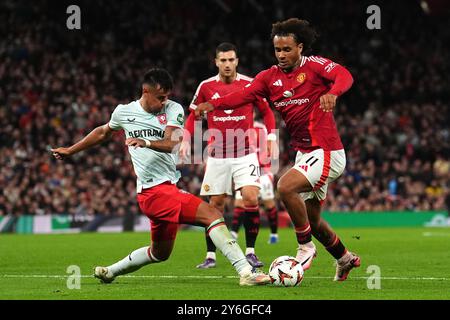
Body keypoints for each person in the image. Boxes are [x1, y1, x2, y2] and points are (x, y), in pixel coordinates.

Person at [51, 68, 270, 286]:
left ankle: (109, 272)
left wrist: (145, 142)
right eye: (160, 97)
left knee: (160, 253)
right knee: (212, 214)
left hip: (165, 190)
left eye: (167, 96)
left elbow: (172, 143)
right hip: (153, 192)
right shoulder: (124, 112)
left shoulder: (173, 109)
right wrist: (71, 150)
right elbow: (102, 132)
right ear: (145, 91)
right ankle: (246, 272)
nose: (164, 101)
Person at [195, 18, 360, 281]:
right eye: (277, 50)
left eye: (287, 49)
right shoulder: (268, 77)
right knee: (313, 220)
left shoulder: (315, 66)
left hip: (327, 150)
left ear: (300, 47)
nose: (281, 55)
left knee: (285, 186)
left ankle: (305, 247)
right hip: (305, 153)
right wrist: (213, 105)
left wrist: (335, 93)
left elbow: (344, 75)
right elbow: (244, 95)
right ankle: (344, 257)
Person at [181, 42, 277, 269]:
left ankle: (251, 252)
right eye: (223, 60)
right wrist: (186, 138)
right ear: (216, 62)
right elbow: (194, 114)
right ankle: (211, 256)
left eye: (231, 59)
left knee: (251, 197)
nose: (227, 64)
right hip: (217, 156)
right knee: (215, 205)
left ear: (237, 61)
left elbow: (267, 112)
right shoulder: (205, 86)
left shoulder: (250, 84)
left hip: (245, 154)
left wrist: (271, 138)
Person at [231, 120, 280, 245]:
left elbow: (267, 150)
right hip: (245, 170)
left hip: (263, 170)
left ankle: (274, 234)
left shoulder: (261, 128)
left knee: (268, 203)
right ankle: (234, 234)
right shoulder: (237, 128)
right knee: (239, 203)